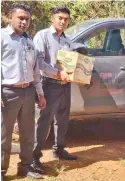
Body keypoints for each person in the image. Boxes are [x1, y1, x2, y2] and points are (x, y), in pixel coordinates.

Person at [1, 3, 46, 180]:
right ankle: (1, 171)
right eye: (20, 18)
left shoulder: (29, 41)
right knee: (3, 135)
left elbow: (35, 71)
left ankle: (25, 167)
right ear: (10, 17)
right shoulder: (2, 38)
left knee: (28, 133)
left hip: (28, 92)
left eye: (27, 19)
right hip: (7, 92)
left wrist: (40, 93)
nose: (24, 21)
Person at [32, 7, 77, 174]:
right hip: (49, 84)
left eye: (66, 19)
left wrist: (77, 72)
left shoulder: (67, 40)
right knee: (44, 121)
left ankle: (59, 149)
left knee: (63, 119)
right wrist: (57, 73)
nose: (63, 21)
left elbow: (71, 63)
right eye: (60, 18)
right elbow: (39, 62)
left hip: (65, 85)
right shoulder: (42, 36)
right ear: (53, 18)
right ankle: (34, 157)